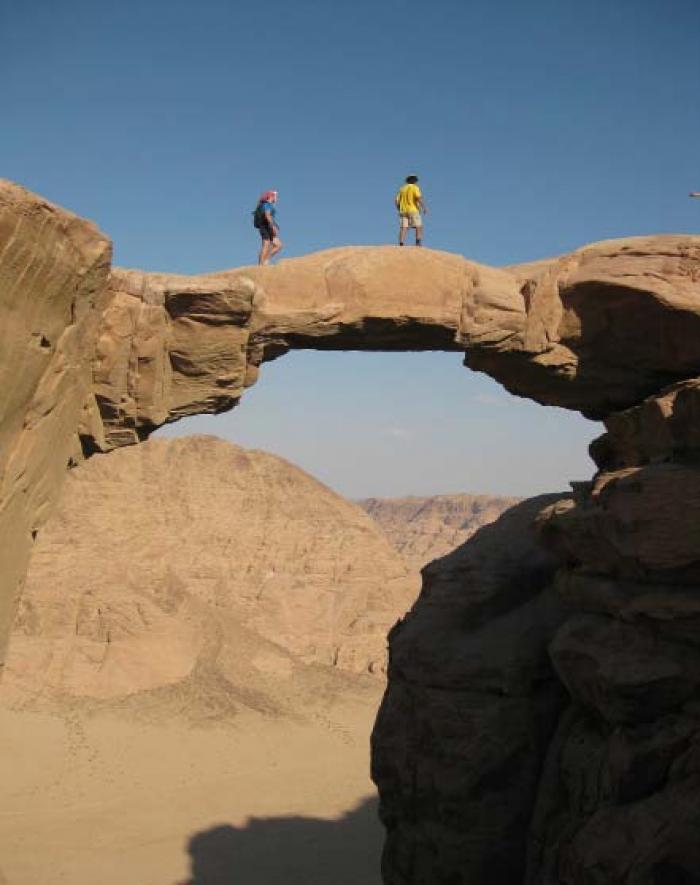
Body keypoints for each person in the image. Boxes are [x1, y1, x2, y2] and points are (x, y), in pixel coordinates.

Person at [395, 174, 428, 246]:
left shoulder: (402, 189)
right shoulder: (415, 187)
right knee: (418, 226)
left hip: (403, 211)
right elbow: (418, 198)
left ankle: (401, 243)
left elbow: (396, 201)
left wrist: (399, 208)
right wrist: (424, 207)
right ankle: (418, 242)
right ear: (414, 180)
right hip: (413, 210)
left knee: (404, 227)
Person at [253, 190, 282, 265]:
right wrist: (273, 226)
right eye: (274, 196)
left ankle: (265, 260)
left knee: (278, 245)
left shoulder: (269, 205)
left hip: (268, 226)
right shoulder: (266, 204)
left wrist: (274, 225)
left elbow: (270, 216)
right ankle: (261, 265)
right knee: (266, 245)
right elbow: (267, 215)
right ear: (270, 197)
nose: (276, 198)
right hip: (265, 226)